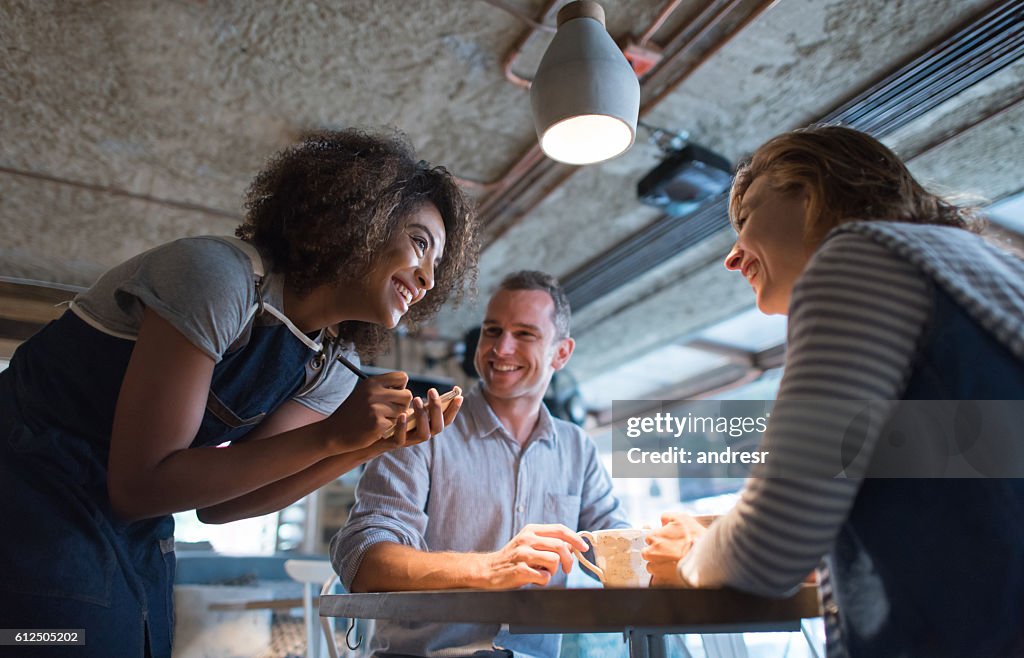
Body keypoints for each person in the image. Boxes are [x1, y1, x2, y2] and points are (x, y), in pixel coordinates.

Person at [0, 128, 480, 658]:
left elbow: (223, 508)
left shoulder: (333, 361)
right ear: (361, 217)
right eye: (419, 242)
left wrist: (368, 446)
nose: (429, 278)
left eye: (438, 263)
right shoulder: (217, 279)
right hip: (32, 484)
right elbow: (139, 485)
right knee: (47, 641)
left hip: (131, 526)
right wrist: (330, 436)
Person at [642, 125, 1024, 657]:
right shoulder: (986, 269)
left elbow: (768, 549)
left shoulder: (858, 253)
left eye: (746, 217)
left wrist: (692, 553)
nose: (731, 258)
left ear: (810, 188)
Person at [331, 270, 629, 658]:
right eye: (492, 331)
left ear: (561, 353)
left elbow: (618, 543)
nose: (501, 349)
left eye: (524, 334)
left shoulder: (576, 448)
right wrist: (491, 568)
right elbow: (362, 558)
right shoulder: (425, 428)